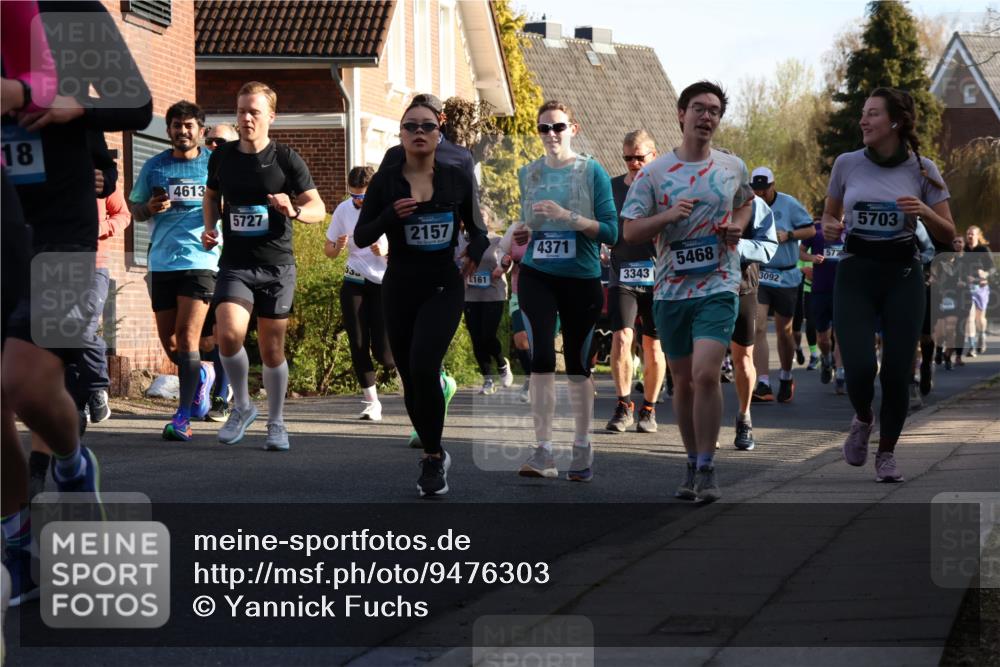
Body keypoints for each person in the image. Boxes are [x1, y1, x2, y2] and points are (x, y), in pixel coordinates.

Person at [2, 0, 152, 605]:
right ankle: (17, 543)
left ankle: (71, 460)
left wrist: (76, 104)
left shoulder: (66, 8)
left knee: (26, 383)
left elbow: (136, 104)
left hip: (61, 227)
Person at [622, 80, 754, 503]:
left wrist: (737, 224)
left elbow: (747, 202)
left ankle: (708, 466)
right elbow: (629, 230)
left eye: (714, 110)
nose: (706, 116)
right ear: (682, 114)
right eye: (698, 108)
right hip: (671, 290)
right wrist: (667, 216)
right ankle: (691, 459)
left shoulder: (732, 166)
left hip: (719, 283)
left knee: (705, 373)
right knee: (682, 381)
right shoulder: (654, 174)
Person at [355, 98, 487, 497]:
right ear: (401, 134)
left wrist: (474, 252)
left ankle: (431, 460)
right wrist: (390, 217)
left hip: (443, 284)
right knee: (410, 377)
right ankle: (435, 448)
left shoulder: (455, 178)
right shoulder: (386, 181)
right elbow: (362, 236)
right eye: (410, 126)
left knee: (425, 364)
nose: (418, 132)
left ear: (438, 131)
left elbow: (479, 230)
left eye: (426, 126)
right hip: (400, 286)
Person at [822, 87, 955, 483]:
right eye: (863, 113)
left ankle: (887, 453)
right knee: (861, 369)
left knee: (897, 374)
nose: (863, 120)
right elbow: (830, 218)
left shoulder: (924, 169)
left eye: (873, 114)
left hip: (903, 275)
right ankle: (863, 417)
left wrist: (925, 211)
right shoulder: (846, 164)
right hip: (856, 273)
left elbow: (950, 233)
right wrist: (829, 226)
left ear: (895, 121)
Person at [202, 81, 326, 451]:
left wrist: (294, 210)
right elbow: (212, 196)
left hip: (276, 267)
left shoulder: (286, 159)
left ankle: (276, 421)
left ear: (271, 116)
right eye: (241, 111)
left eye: (254, 111)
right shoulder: (222, 157)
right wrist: (211, 227)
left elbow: (318, 208)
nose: (246, 118)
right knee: (228, 335)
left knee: (273, 351)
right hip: (236, 264)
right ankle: (241, 406)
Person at [511, 100, 617, 483]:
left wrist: (566, 216)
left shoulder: (592, 172)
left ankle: (582, 442)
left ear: (574, 127)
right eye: (543, 128)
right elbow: (529, 223)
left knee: (576, 364)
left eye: (557, 127)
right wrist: (523, 231)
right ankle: (543, 450)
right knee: (541, 355)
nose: (551, 135)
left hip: (581, 278)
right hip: (538, 273)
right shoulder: (530, 173)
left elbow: (611, 231)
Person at [130, 101, 220, 441]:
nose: (182, 131)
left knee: (186, 337)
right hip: (162, 261)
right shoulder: (154, 167)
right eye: (176, 125)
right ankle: (201, 378)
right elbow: (136, 209)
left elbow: (229, 204)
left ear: (201, 130)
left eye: (189, 126)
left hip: (202, 259)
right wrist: (149, 207)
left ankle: (183, 417)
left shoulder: (215, 166)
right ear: (168, 130)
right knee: (170, 343)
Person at [605, 130, 666, 434]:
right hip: (622, 274)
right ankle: (624, 404)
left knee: (653, 348)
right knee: (622, 338)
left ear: (654, 155)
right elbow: (602, 223)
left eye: (639, 157)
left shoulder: (666, 188)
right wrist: (602, 242)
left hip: (658, 277)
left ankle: (649, 408)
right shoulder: (612, 187)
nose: (633, 162)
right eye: (628, 157)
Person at [324, 166, 394, 420]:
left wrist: (385, 253)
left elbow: (404, 251)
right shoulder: (344, 210)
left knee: (385, 354)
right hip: (354, 279)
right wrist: (337, 246)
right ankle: (372, 403)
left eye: (362, 197)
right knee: (358, 342)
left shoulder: (388, 206)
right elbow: (328, 251)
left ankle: (427, 379)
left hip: (383, 283)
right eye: (353, 196)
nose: (357, 202)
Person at [749, 167, 815, 404]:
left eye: (764, 190)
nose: (760, 194)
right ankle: (764, 382)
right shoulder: (750, 204)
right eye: (756, 190)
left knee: (784, 332)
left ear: (772, 185)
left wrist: (789, 234)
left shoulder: (789, 204)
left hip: (786, 276)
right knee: (757, 328)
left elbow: (811, 229)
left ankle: (786, 376)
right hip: (761, 274)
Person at [200, 122, 241, 421]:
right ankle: (206, 387)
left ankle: (221, 396)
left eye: (222, 142)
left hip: (229, 264)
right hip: (190, 263)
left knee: (223, 332)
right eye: (211, 141)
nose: (215, 146)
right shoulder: (190, 166)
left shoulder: (241, 171)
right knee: (195, 340)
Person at [731, 196, 778, 450]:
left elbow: (769, 247)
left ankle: (744, 416)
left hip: (742, 287)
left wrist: (736, 246)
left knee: (743, 360)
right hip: (703, 289)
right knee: (705, 363)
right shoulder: (690, 192)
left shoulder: (754, 203)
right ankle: (705, 426)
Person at [462, 206, 514, 395]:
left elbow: (506, 259)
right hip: (470, 295)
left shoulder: (497, 240)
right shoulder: (462, 239)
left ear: (489, 220)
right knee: (476, 338)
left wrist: (503, 267)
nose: (478, 221)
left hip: (493, 293)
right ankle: (487, 379)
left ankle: (501, 364)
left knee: (487, 335)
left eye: (482, 217)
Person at [801, 219, 847, 393]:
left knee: (840, 334)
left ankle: (840, 375)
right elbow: (800, 252)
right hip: (820, 290)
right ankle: (826, 359)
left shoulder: (849, 230)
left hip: (843, 291)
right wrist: (811, 258)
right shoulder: (815, 230)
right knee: (823, 338)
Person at [930, 236, 967, 371]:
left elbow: (966, 278)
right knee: (939, 333)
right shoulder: (937, 264)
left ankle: (947, 356)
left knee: (950, 330)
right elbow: (932, 277)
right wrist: (931, 282)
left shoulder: (961, 264)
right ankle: (939, 350)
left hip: (954, 299)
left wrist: (963, 283)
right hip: (939, 299)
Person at [963, 225, 992, 356]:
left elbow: (992, 269)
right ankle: (972, 346)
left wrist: (985, 274)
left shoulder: (984, 249)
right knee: (970, 316)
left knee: (980, 318)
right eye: (968, 233)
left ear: (977, 236)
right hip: (966, 288)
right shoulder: (962, 250)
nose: (969, 236)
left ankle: (982, 336)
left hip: (981, 287)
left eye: (972, 234)